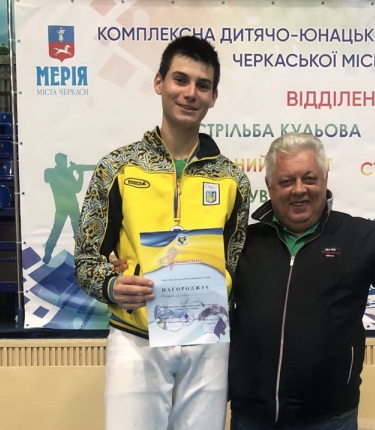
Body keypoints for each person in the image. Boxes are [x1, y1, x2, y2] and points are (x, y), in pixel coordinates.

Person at [74, 35, 250, 430]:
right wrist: (110, 285)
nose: (190, 93)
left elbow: (236, 264)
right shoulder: (117, 168)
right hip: (136, 338)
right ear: (159, 83)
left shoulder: (233, 179)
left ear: (213, 96)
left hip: (207, 341)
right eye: (180, 80)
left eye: (202, 85)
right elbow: (86, 258)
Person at [228, 132, 375, 430]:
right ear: (270, 186)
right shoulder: (243, 242)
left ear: (325, 180)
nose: (298, 190)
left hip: (330, 418)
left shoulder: (361, 237)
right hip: (251, 417)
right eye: (286, 181)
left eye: (309, 179)